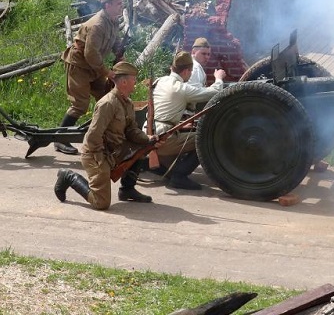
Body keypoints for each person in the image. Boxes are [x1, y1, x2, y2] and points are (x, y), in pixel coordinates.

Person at [55, 62, 161, 210]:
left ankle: (127, 189)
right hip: (96, 154)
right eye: (133, 79)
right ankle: (68, 177)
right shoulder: (107, 104)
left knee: (144, 146)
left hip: (114, 151)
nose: (135, 82)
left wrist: (148, 140)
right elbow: (93, 137)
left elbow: (131, 131)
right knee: (101, 203)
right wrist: (102, 163)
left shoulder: (128, 103)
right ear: (124, 82)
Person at [54, 0, 125, 155]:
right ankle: (59, 139)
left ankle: (100, 136)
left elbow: (114, 39)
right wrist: (107, 72)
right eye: (118, 4)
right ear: (107, 5)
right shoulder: (98, 24)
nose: (121, 7)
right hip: (80, 66)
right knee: (80, 105)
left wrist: (119, 53)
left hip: (93, 66)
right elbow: (90, 54)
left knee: (106, 98)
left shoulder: (112, 19)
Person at [149, 51, 225, 190]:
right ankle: (179, 176)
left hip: (149, 133)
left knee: (190, 132)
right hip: (163, 138)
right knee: (206, 138)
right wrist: (218, 78)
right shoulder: (181, 88)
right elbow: (214, 92)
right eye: (190, 72)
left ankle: (160, 166)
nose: (190, 75)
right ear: (185, 71)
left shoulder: (159, 81)